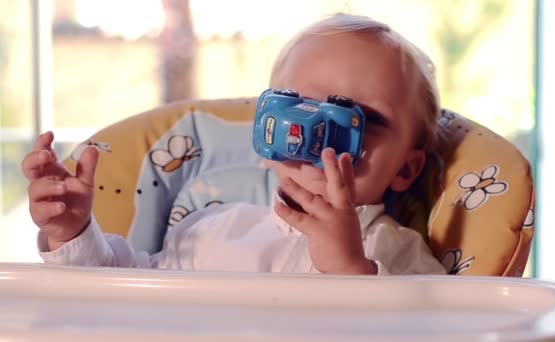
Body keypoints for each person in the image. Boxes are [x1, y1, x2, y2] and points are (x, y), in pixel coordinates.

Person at [21, 13, 446, 275]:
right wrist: (72, 233)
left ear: (406, 168)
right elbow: (122, 299)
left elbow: (429, 328)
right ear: (267, 128)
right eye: (298, 105)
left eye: (362, 120)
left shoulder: (394, 253)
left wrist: (350, 270)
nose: (320, 132)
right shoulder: (212, 230)